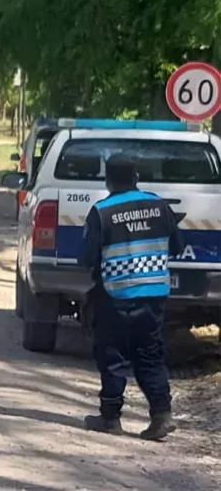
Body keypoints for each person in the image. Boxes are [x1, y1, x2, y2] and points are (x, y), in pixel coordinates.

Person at [78, 155, 185, 440]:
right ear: (136, 177)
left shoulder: (101, 211)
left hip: (116, 295)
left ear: (108, 180)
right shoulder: (159, 206)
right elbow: (177, 246)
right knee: (150, 354)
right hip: (154, 294)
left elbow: (88, 257)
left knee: (112, 355)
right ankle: (162, 415)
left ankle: (110, 418)